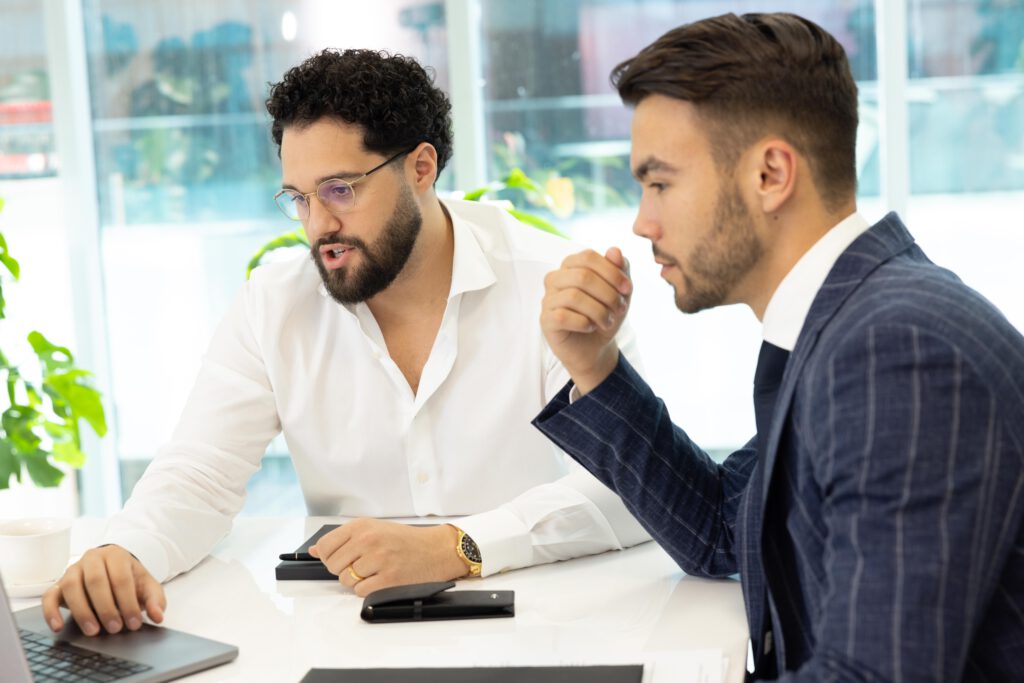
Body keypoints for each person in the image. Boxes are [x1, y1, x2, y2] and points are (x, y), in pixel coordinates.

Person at [43, 49, 648, 638]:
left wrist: (457, 547)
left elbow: (630, 486)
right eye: (299, 198)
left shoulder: (547, 283)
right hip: (346, 632)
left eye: (339, 189)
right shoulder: (274, 301)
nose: (317, 225)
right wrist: (125, 550)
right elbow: (201, 473)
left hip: (547, 625)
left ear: (421, 167)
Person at [533, 12, 1024, 681]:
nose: (643, 221)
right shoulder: (848, 325)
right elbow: (719, 525)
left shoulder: (895, 351)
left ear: (770, 174)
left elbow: (873, 675)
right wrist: (594, 365)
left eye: (659, 181)